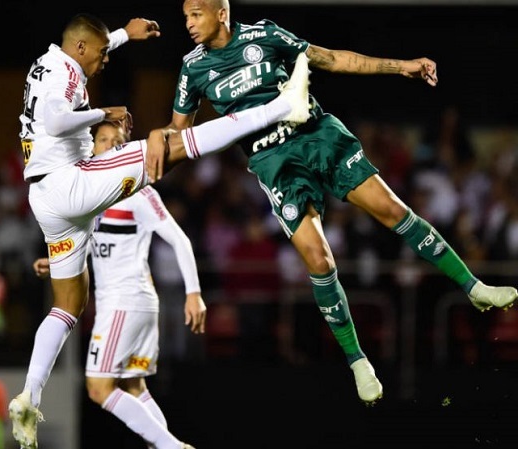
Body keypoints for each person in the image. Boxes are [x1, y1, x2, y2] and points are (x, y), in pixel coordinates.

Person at [162, 0, 518, 405]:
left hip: (318, 136)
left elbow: (330, 59)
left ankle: (473, 287)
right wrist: (142, 164)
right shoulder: (193, 68)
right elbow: (179, 136)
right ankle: (358, 362)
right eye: (186, 17)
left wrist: (401, 66)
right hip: (274, 161)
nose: (188, 24)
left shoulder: (264, 35)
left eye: (195, 14)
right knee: (318, 259)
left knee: (393, 211)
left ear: (220, 12)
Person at [9, 11, 312, 449]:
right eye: (99, 53)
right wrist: (101, 113)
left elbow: (90, 46)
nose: (104, 60)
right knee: (168, 145)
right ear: (78, 51)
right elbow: (57, 119)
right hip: (70, 179)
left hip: (46, 199)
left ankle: (30, 394)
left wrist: (122, 36)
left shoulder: (51, 61)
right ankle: (283, 106)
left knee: (69, 303)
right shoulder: (67, 72)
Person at [31, 120, 205, 448]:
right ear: (91, 147)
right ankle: (165, 445)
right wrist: (55, 262)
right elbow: (88, 242)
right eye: (103, 139)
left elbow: (180, 240)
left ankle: (172, 447)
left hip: (126, 302)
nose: (109, 145)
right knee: (134, 386)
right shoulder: (89, 195)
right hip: (132, 304)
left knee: (98, 388)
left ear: (126, 149)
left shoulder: (136, 191)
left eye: (117, 141)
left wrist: (193, 293)